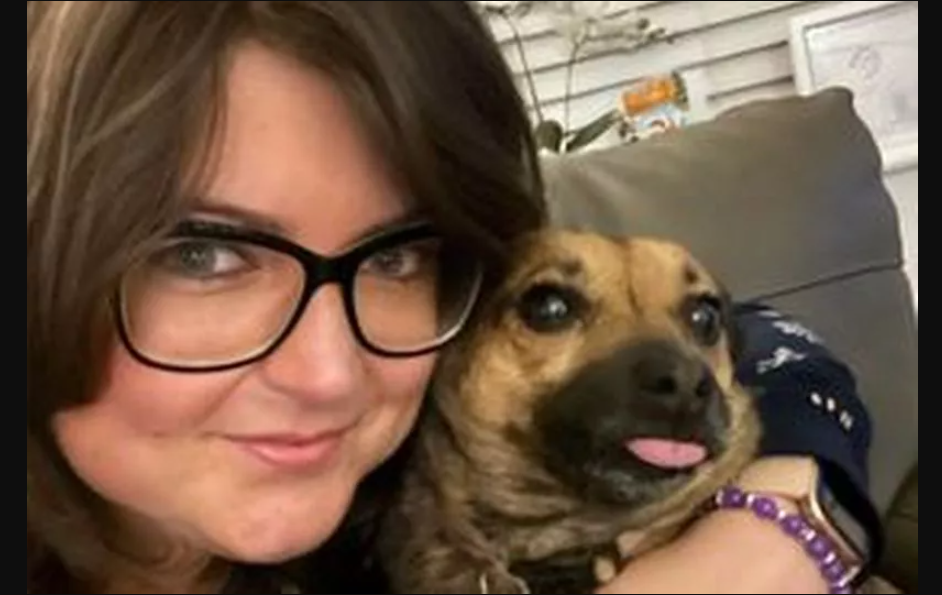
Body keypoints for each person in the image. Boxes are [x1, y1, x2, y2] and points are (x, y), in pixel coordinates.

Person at [27, 2, 882, 593]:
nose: (331, 376)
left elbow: (765, 344)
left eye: (396, 256)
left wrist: (786, 525)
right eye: (202, 253)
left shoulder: (390, 447)